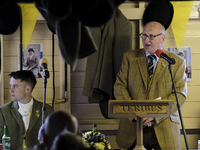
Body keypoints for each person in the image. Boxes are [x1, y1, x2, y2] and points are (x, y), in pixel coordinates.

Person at [114, 21, 187, 150]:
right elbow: (119, 87)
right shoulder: (129, 58)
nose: (146, 40)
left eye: (152, 36)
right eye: (144, 35)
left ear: (162, 38)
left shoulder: (176, 63)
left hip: (165, 128)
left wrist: (154, 114)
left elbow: (180, 95)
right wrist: (137, 113)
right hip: (133, 126)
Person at [0, 70, 54, 150]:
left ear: (28, 89)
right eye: (10, 86)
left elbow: (52, 139)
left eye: (15, 86)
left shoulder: (46, 110)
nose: (11, 90)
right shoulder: (3, 111)